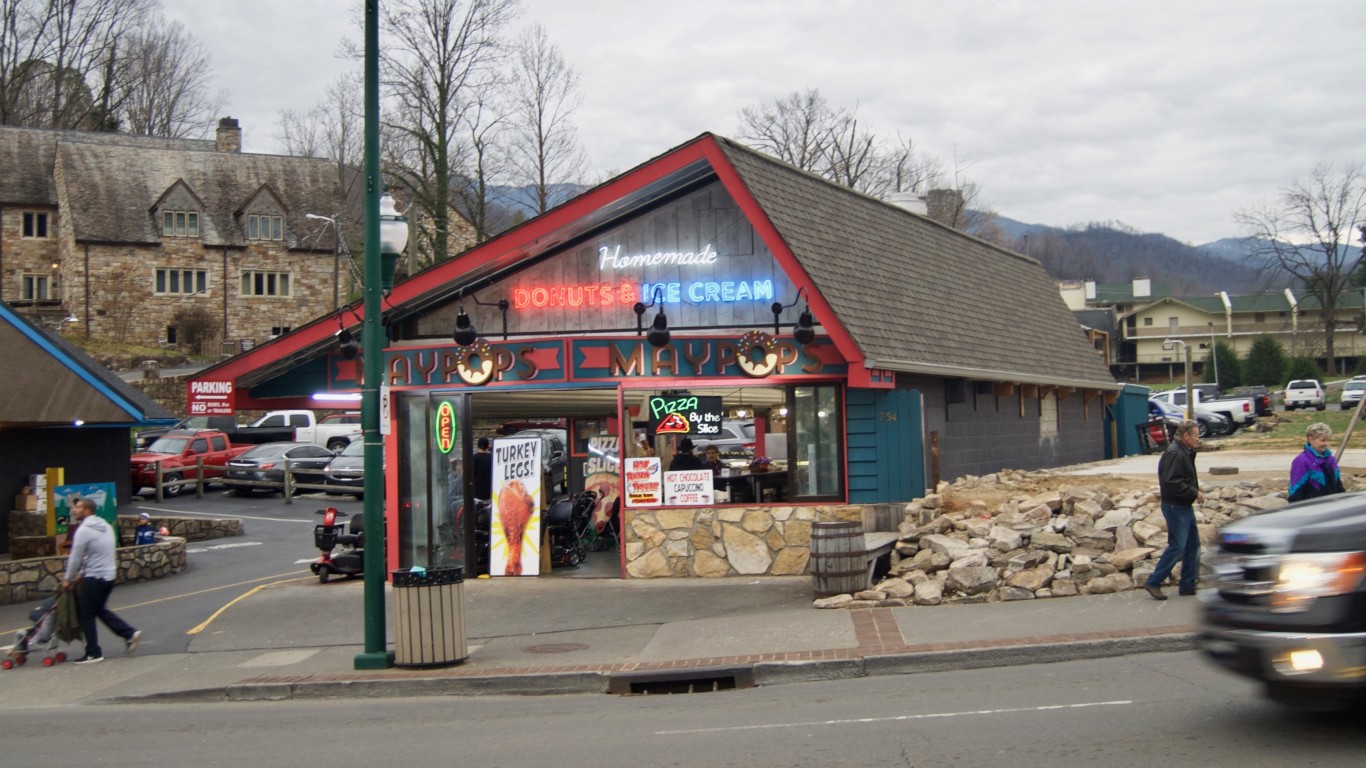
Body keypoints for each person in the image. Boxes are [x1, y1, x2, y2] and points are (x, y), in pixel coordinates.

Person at [61, 498, 140, 663]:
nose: (74, 509)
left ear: (87, 510)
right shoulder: (104, 526)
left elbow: (75, 558)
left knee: (86, 614)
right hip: (108, 576)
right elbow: (97, 553)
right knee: (98, 609)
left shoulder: (84, 530)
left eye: (77, 507)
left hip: (95, 577)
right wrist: (82, 572)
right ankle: (129, 633)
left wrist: (68, 579)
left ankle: (93, 652)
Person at [1144, 419, 1203, 600]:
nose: (1198, 438)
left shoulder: (1183, 451)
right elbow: (1171, 482)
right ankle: (1154, 581)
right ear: (1186, 436)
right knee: (1178, 546)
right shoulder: (1176, 454)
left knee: (1193, 545)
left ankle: (1188, 584)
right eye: (1195, 435)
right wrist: (1194, 492)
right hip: (1175, 505)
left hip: (1183, 504)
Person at [1288, 422, 1345, 502]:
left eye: (1327, 440)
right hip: (1312, 509)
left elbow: (1339, 486)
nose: (1326, 444)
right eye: (1322, 440)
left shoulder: (1331, 460)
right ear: (1310, 439)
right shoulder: (1302, 461)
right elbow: (1295, 492)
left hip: (1332, 507)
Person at [471, 436, 493, 502]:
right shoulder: (492, 457)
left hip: (476, 493)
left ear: (478, 445)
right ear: (488, 446)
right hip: (489, 492)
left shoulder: (473, 458)